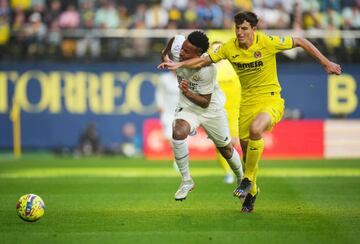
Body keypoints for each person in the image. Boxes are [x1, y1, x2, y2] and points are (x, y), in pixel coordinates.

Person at [158, 11, 342, 212]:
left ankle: (247, 180)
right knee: (245, 152)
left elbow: (300, 41)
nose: (239, 32)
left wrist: (326, 62)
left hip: (270, 99)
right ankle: (252, 192)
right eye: (237, 28)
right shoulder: (229, 48)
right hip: (246, 103)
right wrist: (177, 63)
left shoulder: (268, 42)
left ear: (254, 29)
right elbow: (203, 60)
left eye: (244, 28)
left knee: (256, 130)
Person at [159, 30, 244, 201]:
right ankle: (186, 180)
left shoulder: (208, 70)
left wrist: (186, 91)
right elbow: (174, 40)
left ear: (199, 54)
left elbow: (205, 102)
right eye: (183, 48)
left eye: (187, 51)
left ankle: (242, 179)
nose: (182, 52)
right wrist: (165, 55)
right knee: (178, 132)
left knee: (226, 149)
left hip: (210, 108)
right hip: (188, 107)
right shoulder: (179, 47)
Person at [211, 41, 241, 184]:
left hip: (234, 111)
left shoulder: (234, 64)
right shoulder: (209, 69)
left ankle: (238, 171)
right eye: (214, 49)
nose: (217, 51)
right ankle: (227, 172)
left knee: (234, 143)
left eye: (219, 48)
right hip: (217, 112)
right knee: (220, 145)